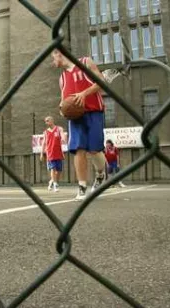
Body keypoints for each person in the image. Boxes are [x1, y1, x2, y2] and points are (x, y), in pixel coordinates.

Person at [52, 50, 107, 201]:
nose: (52, 61)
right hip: (76, 117)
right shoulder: (62, 77)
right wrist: (62, 110)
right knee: (78, 149)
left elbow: (101, 82)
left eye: (53, 57)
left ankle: (101, 174)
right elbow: (64, 101)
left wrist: (84, 94)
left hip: (94, 110)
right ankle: (82, 187)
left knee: (95, 150)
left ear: (59, 53)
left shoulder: (85, 62)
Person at [40, 116, 66, 192]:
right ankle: (55, 184)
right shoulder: (46, 132)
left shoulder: (59, 129)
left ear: (52, 120)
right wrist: (42, 153)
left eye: (47, 120)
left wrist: (63, 139)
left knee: (58, 171)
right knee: (53, 169)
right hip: (50, 153)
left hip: (58, 152)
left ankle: (52, 181)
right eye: (45, 121)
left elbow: (62, 135)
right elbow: (43, 143)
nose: (46, 122)